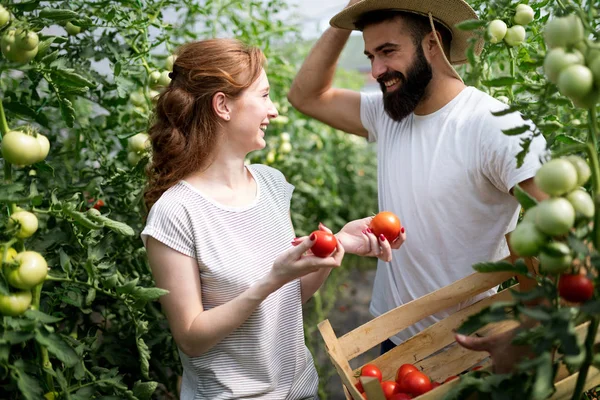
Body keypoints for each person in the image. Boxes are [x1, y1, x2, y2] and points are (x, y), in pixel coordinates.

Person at [287, 0, 548, 369]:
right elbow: (305, 96)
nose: (377, 69)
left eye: (388, 51)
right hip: (392, 337)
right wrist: (345, 18)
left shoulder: (497, 127)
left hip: (467, 344)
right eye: (370, 54)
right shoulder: (389, 113)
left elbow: (566, 233)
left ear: (432, 43)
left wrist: (528, 326)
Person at [141, 38, 406, 400]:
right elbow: (191, 337)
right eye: (264, 95)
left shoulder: (270, 184)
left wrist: (338, 244)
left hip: (301, 390)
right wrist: (271, 280)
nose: (274, 110)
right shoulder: (176, 212)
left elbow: (288, 298)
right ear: (223, 105)